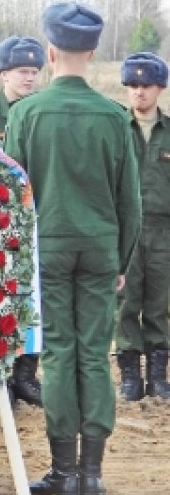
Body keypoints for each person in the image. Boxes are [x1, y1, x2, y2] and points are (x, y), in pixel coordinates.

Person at [6, 2, 141, 495]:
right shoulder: (113, 117)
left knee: (60, 351)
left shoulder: (25, 114)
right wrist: (122, 260)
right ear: (93, 52)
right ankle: (92, 472)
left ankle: (63, 469)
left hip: (49, 247)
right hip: (102, 246)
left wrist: (20, 255)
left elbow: (14, 196)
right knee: (93, 353)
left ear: (49, 52)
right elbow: (132, 199)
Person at [0, 36, 47, 408]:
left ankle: (26, 374)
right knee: (0, 300)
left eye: (35, 72)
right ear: (3, 73)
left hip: (36, 219)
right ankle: (0, 377)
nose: (29, 78)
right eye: (23, 71)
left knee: (34, 296)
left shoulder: (43, 111)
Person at [113, 52, 170, 402]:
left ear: (160, 88)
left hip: (164, 231)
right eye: (132, 86)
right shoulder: (116, 130)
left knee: (160, 302)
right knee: (125, 301)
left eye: (146, 85)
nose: (139, 93)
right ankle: (130, 376)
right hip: (126, 231)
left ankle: (159, 377)